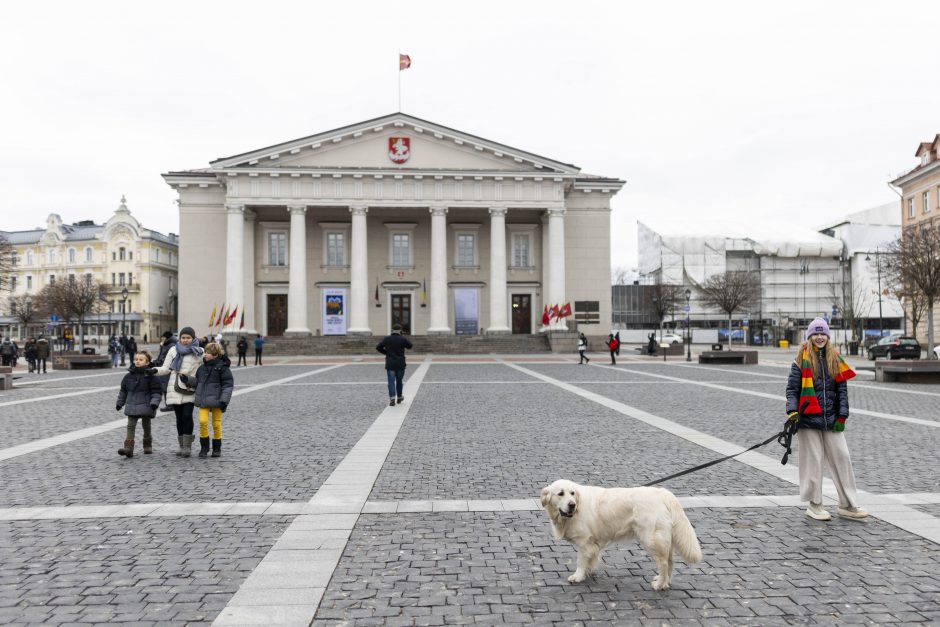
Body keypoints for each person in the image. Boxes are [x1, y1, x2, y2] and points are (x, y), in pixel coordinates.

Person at [785, 317, 868, 521]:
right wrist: (792, 411)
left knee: (842, 457)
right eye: (816, 333)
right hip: (807, 418)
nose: (820, 337)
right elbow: (792, 390)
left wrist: (842, 416)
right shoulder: (800, 360)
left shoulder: (835, 360)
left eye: (823, 333)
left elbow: (842, 391)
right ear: (810, 336)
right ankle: (815, 504)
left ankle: (848, 504)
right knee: (813, 461)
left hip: (831, 419)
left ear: (828, 337)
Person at [151, 326, 204, 458]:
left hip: (189, 387)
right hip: (174, 388)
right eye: (183, 337)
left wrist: (192, 379)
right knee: (179, 418)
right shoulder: (173, 350)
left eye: (188, 338)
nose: (185, 340)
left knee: (187, 416)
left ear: (193, 338)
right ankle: (181, 445)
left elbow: (205, 369)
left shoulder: (199, 351)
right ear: (180, 338)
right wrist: (154, 371)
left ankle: (187, 446)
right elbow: (166, 368)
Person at [183, 341, 233, 458]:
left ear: (215, 355)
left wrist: (224, 400)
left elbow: (227, 385)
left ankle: (217, 448)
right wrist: (188, 380)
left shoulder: (223, 368)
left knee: (216, 424)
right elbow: (198, 383)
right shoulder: (202, 368)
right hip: (204, 400)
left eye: (208, 353)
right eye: (205, 352)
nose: (205, 354)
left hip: (217, 401)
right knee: (203, 422)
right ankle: (204, 447)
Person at [115, 350, 162, 458]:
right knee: (130, 425)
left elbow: (156, 392)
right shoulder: (128, 376)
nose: (137, 361)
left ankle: (147, 444)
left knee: (146, 425)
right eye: (136, 359)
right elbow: (123, 391)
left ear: (147, 362)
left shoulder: (152, 377)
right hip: (132, 404)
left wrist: (154, 403)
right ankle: (128, 448)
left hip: (146, 405)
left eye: (141, 360)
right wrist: (120, 403)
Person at [376, 323, 413, 406]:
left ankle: (392, 398)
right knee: (399, 381)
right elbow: (410, 346)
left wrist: (386, 353)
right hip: (400, 363)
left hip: (390, 363)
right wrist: (403, 337)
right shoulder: (402, 339)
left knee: (391, 382)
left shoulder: (387, 339)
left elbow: (378, 347)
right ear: (400, 331)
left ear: (392, 330)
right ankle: (399, 397)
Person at [152, 331, 176, 411]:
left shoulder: (171, 345)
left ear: (167, 337)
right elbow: (161, 355)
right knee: (164, 386)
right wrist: (156, 361)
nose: (161, 338)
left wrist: (160, 361)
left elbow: (169, 357)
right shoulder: (165, 344)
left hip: (167, 368)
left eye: (163, 337)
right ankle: (169, 404)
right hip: (162, 367)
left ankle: (170, 405)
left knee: (166, 387)